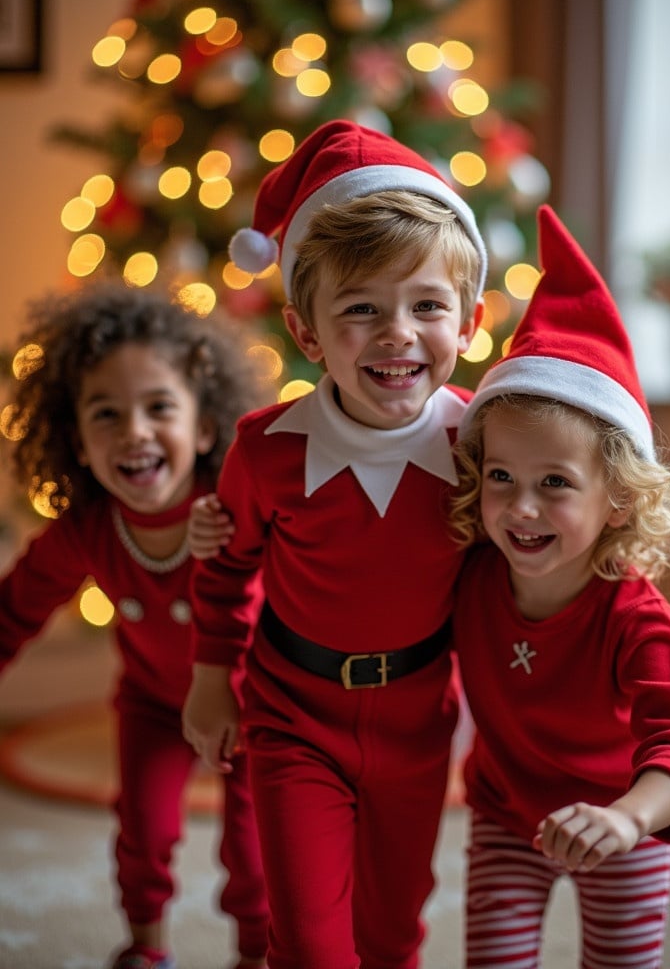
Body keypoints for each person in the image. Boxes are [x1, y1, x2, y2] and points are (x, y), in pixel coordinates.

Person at [182, 119, 486, 969]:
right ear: (307, 331)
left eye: (427, 305)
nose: (397, 333)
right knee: (310, 941)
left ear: (469, 321)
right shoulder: (266, 450)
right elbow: (227, 562)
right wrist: (212, 680)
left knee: (392, 932)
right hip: (291, 713)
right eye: (361, 310)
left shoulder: (485, 444)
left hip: (420, 717)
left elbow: (525, 564)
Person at [449, 205, 670, 968]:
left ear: (619, 499)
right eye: (501, 477)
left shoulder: (634, 617)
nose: (521, 507)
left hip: (622, 827)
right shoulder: (471, 573)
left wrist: (630, 818)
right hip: (507, 816)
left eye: (555, 483)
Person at [0, 285, 270, 969]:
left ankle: (257, 954)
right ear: (78, 443)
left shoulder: (235, 510)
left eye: (159, 408)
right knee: (142, 834)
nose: (135, 432)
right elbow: (15, 607)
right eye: (106, 414)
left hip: (257, 708)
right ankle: (146, 947)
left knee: (255, 848)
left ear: (204, 428)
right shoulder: (89, 531)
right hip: (155, 705)